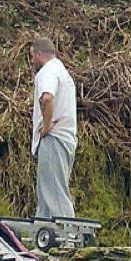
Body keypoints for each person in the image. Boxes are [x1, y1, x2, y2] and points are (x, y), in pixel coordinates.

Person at [30, 37, 77, 218]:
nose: (32, 61)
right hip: (66, 137)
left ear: (39, 54)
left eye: (32, 56)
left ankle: (69, 234)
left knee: (55, 192)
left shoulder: (48, 72)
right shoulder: (62, 71)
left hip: (54, 138)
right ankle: (43, 229)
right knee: (48, 191)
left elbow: (47, 98)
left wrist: (47, 125)